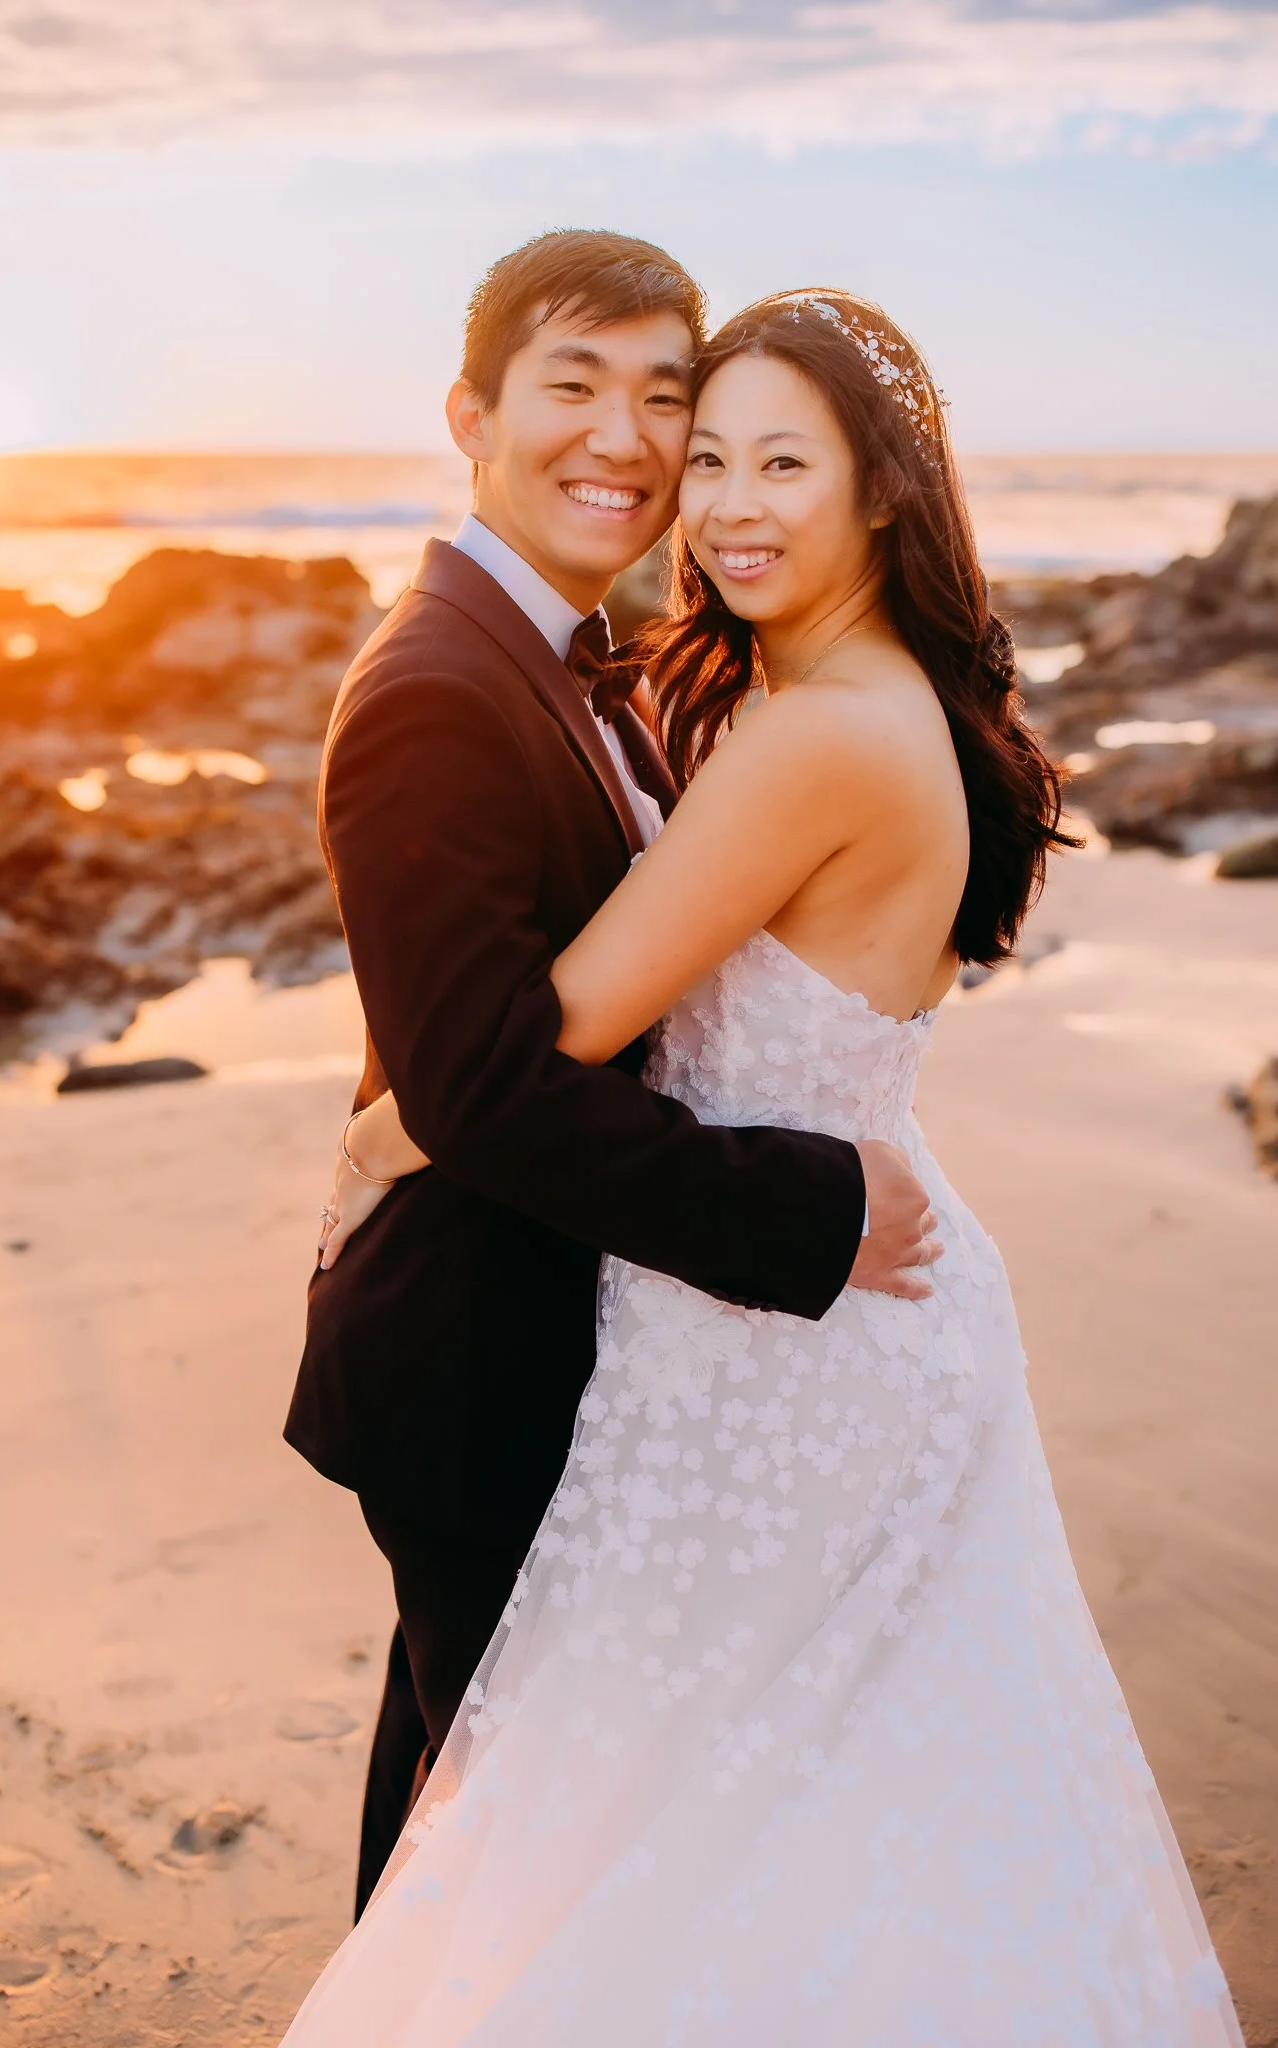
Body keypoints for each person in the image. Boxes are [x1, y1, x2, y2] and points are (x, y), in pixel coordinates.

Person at [284, 287, 1240, 2044]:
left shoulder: (813, 732)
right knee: (732, 1797)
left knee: (655, 1819)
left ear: (881, 490)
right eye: (703, 452)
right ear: (475, 415)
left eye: (775, 459)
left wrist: (386, 1123)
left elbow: (549, 1030)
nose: (719, 498)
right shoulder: (817, 697)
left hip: (787, 1335)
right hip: (808, 1323)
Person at [283, 231, 938, 1920]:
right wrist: (810, 1206)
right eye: (573, 388)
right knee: (516, 1855)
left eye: (670, 401)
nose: (629, 441)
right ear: (471, 417)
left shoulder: (597, 664)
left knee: (456, 1820)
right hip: (473, 1355)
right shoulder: (436, 687)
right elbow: (489, 1084)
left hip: (561, 1340)